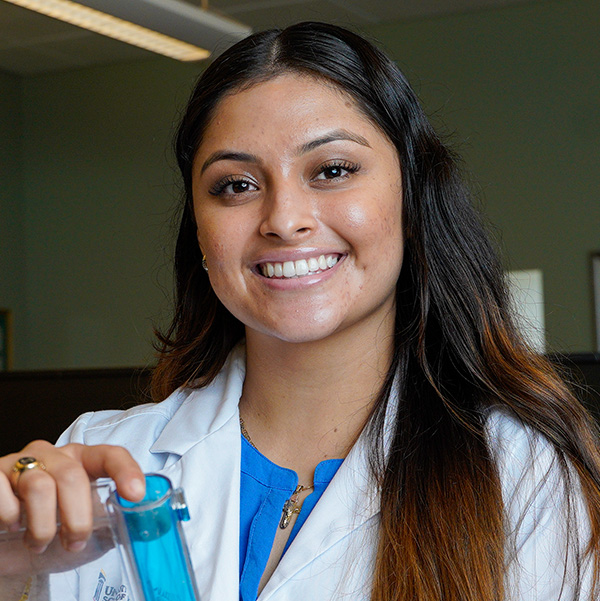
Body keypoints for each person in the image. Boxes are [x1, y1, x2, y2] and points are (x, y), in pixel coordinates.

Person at [1, 21, 599, 601]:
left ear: (412, 202)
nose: (284, 219)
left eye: (333, 170)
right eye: (235, 185)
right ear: (201, 233)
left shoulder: (527, 475)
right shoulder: (102, 462)